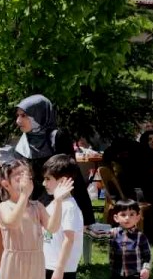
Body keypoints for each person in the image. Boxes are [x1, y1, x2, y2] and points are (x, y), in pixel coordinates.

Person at [13, 95, 94, 224]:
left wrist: (84, 212)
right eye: (18, 115)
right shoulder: (24, 141)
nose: (18, 121)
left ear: (39, 115)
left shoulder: (57, 137)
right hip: (34, 204)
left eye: (24, 115)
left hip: (59, 201)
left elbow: (70, 172)